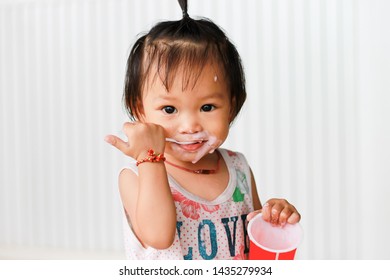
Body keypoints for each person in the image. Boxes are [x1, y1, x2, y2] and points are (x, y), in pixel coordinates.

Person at [105, 0, 300, 260]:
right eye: (169, 109)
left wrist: (271, 222)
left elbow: (252, 253)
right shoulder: (137, 176)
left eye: (207, 107)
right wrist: (149, 157)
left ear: (232, 105)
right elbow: (159, 237)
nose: (190, 127)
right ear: (140, 110)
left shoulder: (238, 168)